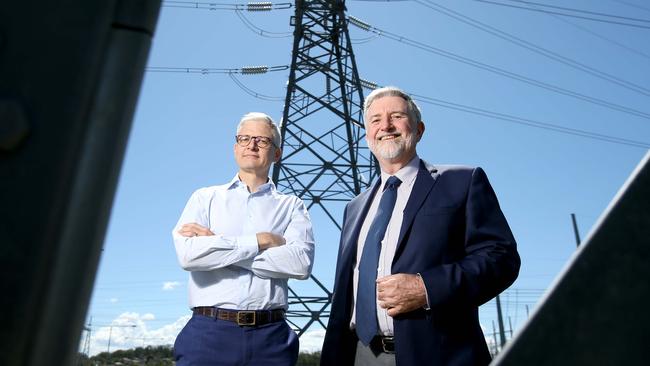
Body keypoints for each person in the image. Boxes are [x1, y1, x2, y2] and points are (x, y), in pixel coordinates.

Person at [321, 87, 520, 366]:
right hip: (358, 355)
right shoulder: (354, 208)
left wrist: (426, 287)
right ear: (367, 135)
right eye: (375, 120)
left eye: (397, 116)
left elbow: (501, 259)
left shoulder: (462, 181)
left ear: (419, 129)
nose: (386, 126)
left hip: (438, 354)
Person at [172, 112, 315, 366]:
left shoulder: (292, 205)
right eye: (245, 138)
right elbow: (189, 255)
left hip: (271, 337)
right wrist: (260, 241)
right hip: (209, 334)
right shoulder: (204, 198)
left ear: (277, 153)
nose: (252, 145)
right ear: (235, 147)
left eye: (262, 140)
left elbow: (299, 265)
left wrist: (219, 245)